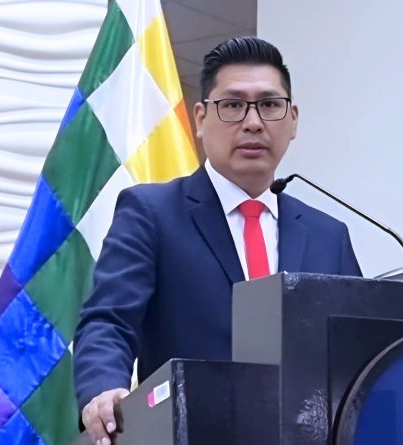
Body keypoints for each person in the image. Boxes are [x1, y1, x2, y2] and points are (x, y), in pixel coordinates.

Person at [73, 36, 362, 444]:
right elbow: (109, 320)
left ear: (293, 119)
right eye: (232, 105)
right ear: (200, 118)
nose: (253, 122)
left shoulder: (329, 235)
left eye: (269, 104)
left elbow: (355, 354)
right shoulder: (152, 213)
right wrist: (103, 389)